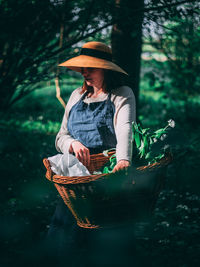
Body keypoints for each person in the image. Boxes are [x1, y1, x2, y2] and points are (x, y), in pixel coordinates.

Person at [46, 41, 137, 266]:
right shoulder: (77, 96)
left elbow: (126, 127)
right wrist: (73, 144)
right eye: (83, 67)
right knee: (67, 237)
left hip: (107, 175)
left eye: (91, 67)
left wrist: (124, 160)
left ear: (105, 68)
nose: (85, 72)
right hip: (76, 179)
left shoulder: (121, 94)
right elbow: (60, 137)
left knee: (106, 238)